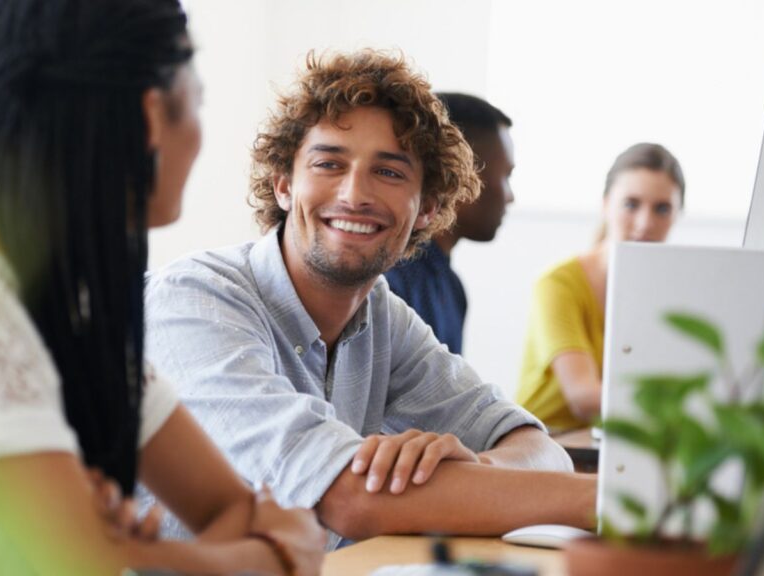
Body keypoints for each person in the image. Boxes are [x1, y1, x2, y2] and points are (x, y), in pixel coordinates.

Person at [0, 1, 325, 574]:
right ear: (152, 116)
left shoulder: (77, 308)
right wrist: (272, 557)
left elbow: (226, 508)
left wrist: (137, 554)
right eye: (200, 102)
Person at [144, 50, 596, 549]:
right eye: (329, 164)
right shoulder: (194, 301)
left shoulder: (380, 315)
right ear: (283, 186)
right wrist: (612, 505)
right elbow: (348, 498)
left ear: (426, 208)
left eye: (389, 172)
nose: (355, 194)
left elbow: (539, 448)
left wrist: (482, 469)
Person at [516, 143, 685, 431]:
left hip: (616, 443)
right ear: (606, 205)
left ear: (678, 214)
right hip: (545, 444)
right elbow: (583, 398)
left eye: (662, 209)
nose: (645, 223)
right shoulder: (558, 284)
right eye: (631, 204)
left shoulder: (672, 292)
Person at [384, 92, 515, 354]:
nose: (510, 197)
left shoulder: (451, 287)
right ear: (460, 175)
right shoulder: (389, 281)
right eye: (506, 175)